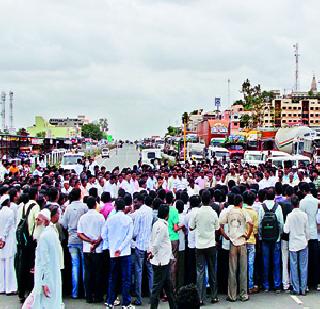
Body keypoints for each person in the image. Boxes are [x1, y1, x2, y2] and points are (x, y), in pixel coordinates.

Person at [220, 194, 253, 302]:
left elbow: (220, 224)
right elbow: (251, 223)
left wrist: (225, 235)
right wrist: (247, 235)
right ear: (241, 202)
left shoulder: (228, 212)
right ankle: (243, 295)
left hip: (233, 242)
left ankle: (232, 295)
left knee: (232, 270)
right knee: (243, 270)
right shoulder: (243, 211)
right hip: (242, 242)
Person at [189, 189, 220, 305]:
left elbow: (191, 227)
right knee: (212, 270)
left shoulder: (196, 212)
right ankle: (214, 296)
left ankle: (200, 298)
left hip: (200, 245)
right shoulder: (213, 212)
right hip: (211, 244)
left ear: (201, 199)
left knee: (200, 271)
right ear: (211, 199)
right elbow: (217, 229)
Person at [103, 198, 134, 309]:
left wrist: (112, 246)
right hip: (125, 252)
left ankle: (110, 301)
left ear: (115, 206)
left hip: (113, 252)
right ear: (124, 207)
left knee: (113, 277)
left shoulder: (110, 220)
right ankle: (126, 303)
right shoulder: (128, 219)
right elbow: (129, 236)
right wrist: (120, 248)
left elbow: (104, 235)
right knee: (126, 278)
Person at [31, 208, 62, 309]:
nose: (36, 222)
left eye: (39, 220)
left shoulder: (45, 236)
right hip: (51, 275)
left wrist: (45, 282)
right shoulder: (50, 233)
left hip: (46, 276)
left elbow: (45, 261)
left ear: (46, 221)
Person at [61, 188, 88, 299]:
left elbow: (64, 224)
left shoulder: (68, 208)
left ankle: (75, 292)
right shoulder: (85, 207)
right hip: (83, 239)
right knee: (84, 266)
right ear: (80, 195)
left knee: (75, 266)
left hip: (72, 238)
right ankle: (86, 291)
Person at [77, 196, 105, 303]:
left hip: (87, 248)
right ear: (95, 205)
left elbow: (79, 233)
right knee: (98, 273)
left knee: (88, 273)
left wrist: (89, 241)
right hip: (97, 249)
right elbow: (103, 234)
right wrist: (96, 242)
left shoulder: (83, 218)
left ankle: (88, 296)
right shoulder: (100, 217)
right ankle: (98, 296)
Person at [16, 186, 40, 303]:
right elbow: (38, 221)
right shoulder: (35, 206)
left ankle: (21, 291)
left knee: (22, 266)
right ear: (35, 195)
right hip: (31, 240)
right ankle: (31, 292)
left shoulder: (23, 206)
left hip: (22, 239)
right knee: (32, 266)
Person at [148, 204, 175, 309]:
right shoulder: (163, 226)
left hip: (163, 259)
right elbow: (157, 242)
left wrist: (150, 251)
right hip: (161, 261)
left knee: (168, 286)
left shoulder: (156, 224)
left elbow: (152, 240)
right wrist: (152, 253)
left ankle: (174, 306)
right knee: (157, 287)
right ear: (167, 215)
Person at [258, 187, 283, 292]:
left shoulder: (261, 207)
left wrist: (261, 236)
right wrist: (279, 236)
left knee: (265, 261)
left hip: (265, 239)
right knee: (276, 262)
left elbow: (259, 224)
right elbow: (281, 223)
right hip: (275, 238)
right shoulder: (278, 207)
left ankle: (266, 285)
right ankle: (277, 284)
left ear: (265, 196)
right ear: (274, 196)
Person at [284, 196, 309, 295]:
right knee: (303, 267)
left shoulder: (289, 216)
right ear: (298, 204)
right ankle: (303, 289)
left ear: (292, 205)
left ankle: (296, 288)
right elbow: (307, 231)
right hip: (303, 242)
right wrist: (307, 240)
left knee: (293, 267)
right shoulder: (304, 215)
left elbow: (286, 230)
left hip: (293, 244)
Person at [132, 193, 154, 306]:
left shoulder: (138, 213)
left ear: (140, 201)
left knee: (138, 272)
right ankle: (152, 296)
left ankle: (139, 298)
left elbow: (135, 232)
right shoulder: (150, 211)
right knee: (150, 271)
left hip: (140, 245)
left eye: (135, 202)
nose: (134, 204)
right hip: (148, 245)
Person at [299, 182, 319, 289]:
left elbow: (302, 218)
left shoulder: (302, 202)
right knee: (315, 260)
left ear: (303, 191)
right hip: (314, 233)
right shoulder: (316, 201)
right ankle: (315, 283)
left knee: (305, 260)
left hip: (305, 234)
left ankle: (306, 283)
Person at [0, 196, 17, 295]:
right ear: (7, 202)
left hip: (1, 240)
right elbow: (8, 226)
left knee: (1, 264)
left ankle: (2, 287)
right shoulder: (10, 212)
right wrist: (3, 237)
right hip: (8, 239)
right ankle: (9, 288)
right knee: (9, 263)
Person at [243, 190, 259, 294]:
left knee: (242, 263)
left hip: (242, 240)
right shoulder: (254, 213)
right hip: (252, 240)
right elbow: (256, 230)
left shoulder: (242, 211)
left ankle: (243, 284)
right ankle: (250, 285)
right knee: (250, 263)